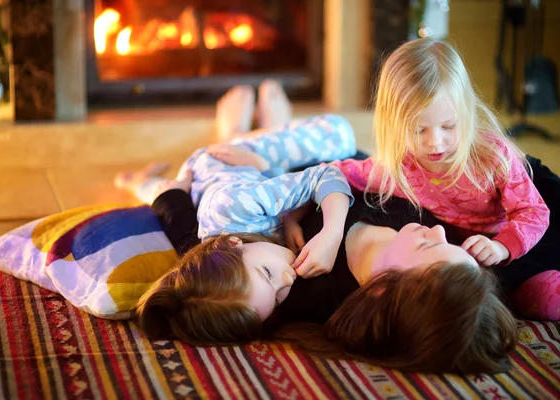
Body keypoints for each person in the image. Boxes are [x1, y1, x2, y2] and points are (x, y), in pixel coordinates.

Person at [118, 82, 518, 374]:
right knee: (306, 145)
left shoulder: (290, 289)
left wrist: (164, 191)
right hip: (305, 170)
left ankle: (238, 130)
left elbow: (199, 245)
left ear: (380, 289)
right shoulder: (432, 229)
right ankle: (263, 127)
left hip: (254, 187)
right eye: (453, 245)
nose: (439, 233)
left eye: (430, 248)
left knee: (217, 176)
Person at [332, 38, 550, 268]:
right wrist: (297, 210)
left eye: (448, 126)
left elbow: (533, 211)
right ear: (393, 126)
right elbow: (334, 172)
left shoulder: (491, 156)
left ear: (465, 113)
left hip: (505, 245)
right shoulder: (394, 167)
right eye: (418, 130)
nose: (435, 143)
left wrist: (501, 246)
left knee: (543, 296)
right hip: (452, 255)